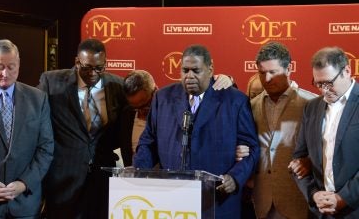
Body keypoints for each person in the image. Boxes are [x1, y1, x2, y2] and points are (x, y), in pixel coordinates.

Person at [133, 44, 260, 218]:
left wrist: (234, 178)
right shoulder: (162, 98)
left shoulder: (235, 101)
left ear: (210, 69)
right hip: (171, 203)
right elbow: (148, 141)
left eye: (196, 70)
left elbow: (251, 149)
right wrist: (138, 172)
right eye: (185, 70)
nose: (189, 76)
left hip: (217, 202)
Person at [38, 38, 131, 219]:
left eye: (99, 68)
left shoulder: (118, 86)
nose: (93, 73)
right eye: (87, 67)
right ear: (76, 62)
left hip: (102, 178)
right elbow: (36, 123)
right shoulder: (51, 82)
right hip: (63, 179)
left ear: (105, 63)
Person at [246, 41, 317, 219]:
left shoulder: (312, 104)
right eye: (262, 73)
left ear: (289, 68)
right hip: (262, 201)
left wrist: (309, 161)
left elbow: (326, 149)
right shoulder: (249, 106)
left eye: (273, 72)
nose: (267, 79)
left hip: (299, 199)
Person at [293, 46, 359, 218]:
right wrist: (314, 194)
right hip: (319, 212)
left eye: (329, 83)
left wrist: (343, 198)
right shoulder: (312, 107)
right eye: (318, 83)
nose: (323, 90)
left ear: (346, 71)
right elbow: (298, 160)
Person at [121, 69, 236, 165]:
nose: (140, 111)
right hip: (134, 182)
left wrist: (228, 80)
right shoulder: (125, 115)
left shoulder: (173, 109)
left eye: (145, 106)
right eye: (135, 108)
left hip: (166, 178)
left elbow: (212, 97)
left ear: (155, 91)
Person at [0, 39, 53, 218]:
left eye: (11, 67)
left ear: (19, 65)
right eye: (0, 66)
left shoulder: (38, 99)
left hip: (25, 202)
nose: (5, 73)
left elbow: (46, 148)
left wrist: (24, 183)